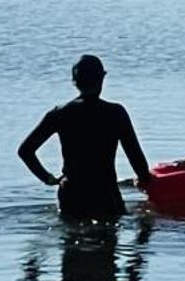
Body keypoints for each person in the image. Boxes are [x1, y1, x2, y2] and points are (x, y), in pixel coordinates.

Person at [17, 54, 155, 220]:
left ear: (74, 82)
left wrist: (48, 178)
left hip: (72, 196)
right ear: (102, 78)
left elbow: (25, 151)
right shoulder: (115, 113)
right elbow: (135, 157)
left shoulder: (60, 113)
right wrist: (147, 181)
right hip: (105, 194)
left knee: (73, 236)